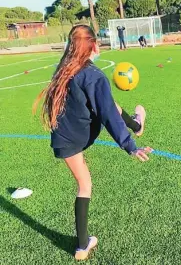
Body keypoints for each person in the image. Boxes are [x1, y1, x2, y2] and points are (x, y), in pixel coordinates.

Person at [33, 25, 151, 261]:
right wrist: (130, 146)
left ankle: (81, 247)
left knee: (83, 183)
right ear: (94, 45)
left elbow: (106, 108)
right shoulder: (94, 75)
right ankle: (136, 126)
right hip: (82, 134)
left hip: (62, 139)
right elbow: (107, 115)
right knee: (107, 106)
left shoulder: (64, 69)